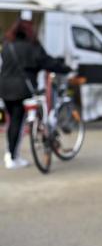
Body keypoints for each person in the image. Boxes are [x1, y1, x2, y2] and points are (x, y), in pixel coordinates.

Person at [0, 19, 70, 169]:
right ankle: (13, 157)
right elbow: (48, 62)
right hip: (22, 90)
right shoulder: (33, 47)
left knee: (12, 121)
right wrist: (65, 68)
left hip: (4, 88)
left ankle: (10, 154)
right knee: (17, 123)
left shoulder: (7, 46)